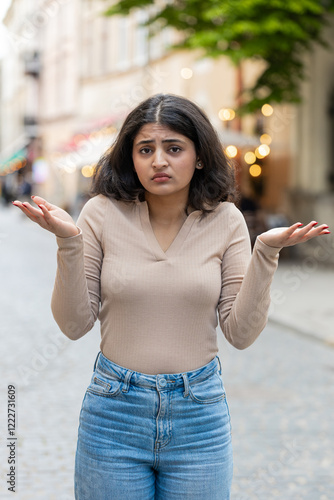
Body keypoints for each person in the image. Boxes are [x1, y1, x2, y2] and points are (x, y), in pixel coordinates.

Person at [13, 93, 330, 500]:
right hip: (114, 416)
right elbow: (74, 324)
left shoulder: (226, 220)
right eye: (145, 149)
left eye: (173, 148)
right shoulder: (100, 213)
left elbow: (240, 333)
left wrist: (265, 253)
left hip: (199, 417)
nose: (158, 161)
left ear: (199, 156)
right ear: (131, 158)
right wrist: (69, 243)